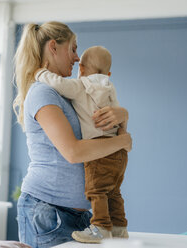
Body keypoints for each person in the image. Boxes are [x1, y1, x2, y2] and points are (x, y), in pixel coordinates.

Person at [13, 21, 131, 248]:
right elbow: (73, 152)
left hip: (79, 216)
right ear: (53, 47)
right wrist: (122, 141)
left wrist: (122, 114)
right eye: (73, 49)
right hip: (48, 212)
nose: (78, 58)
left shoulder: (68, 92)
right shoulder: (42, 93)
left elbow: (96, 126)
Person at [34, 46, 129, 243]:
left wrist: (41, 72)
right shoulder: (110, 87)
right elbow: (118, 114)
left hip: (98, 149)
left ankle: (101, 226)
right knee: (113, 191)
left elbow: (59, 84)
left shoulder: (81, 85)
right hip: (117, 151)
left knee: (97, 190)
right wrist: (123, 132)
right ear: (108, 73)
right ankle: (119, 227)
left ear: (83, 69)